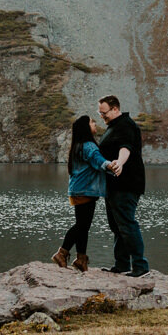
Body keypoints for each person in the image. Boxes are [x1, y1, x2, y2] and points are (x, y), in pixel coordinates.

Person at [52, 114, 114, 272]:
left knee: (83, 225)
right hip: (85, 191)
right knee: (82, 225)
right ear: (86, 127)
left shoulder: (78, 145)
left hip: (78, 190)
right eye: (92, 122)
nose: (95, 124)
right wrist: (113, 166)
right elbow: (99, 161)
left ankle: (81, 259)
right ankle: (62, 253)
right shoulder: (89, 146)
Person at [95, 95, 148, 276]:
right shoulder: (113, 126)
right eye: (100, 114)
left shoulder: (126, 125)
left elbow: (125, 148)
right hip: (113, 185)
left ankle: (141, 267)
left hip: (126, 183)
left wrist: (119, 162)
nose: (102, 117)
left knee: (127, 224)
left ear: (115, 109)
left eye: (104, 113)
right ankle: (122, 265)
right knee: (116, 226)